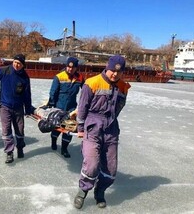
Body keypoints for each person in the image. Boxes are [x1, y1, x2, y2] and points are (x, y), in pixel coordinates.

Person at [73, 55, 131, 209]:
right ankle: (82, 192)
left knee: (111, 169)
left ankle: (100, 191)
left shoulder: (123, 87)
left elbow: (118, 108)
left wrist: (110, 123)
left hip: (111, 130)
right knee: (91, 165)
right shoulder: (92, 83)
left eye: (119, 72)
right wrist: (80, 128)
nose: (115, 74)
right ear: (107, 67)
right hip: (93, 127)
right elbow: (82, 107)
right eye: (112, 71)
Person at [47, 57, 84, 158]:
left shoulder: (80, 78)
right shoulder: (59, 77)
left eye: (73, 67)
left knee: (69, 129)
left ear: (76, 68)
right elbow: (53, 92)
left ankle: (64, 149)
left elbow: (85, 92)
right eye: (68, 67)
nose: (70, 69)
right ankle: (53, 141)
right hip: (59, 107)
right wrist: (51, 105)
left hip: (71, 109)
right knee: (57, 128)